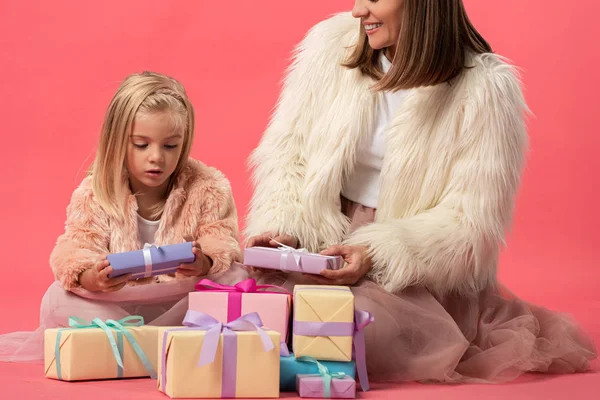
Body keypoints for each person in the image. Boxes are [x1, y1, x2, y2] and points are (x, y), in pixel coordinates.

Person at [244, 1, 597, 383]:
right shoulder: (329, 49)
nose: (359, 10)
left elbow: (469, 222)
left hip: (410, 274)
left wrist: (376, 251)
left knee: (339, 330)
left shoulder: (484, 88)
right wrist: (287, 230)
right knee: (248, 308)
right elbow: (288, 155)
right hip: (325, 242)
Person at [0, 71, 245, 362]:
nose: (156, 157)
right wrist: (92, 278)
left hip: (181, 299)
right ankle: (160, 343)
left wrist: (203, 262)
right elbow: (75, 248)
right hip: (119, 304)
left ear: (184, 142)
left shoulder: (208, 185)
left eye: (170, 146)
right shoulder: (95, 190)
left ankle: (135, 345)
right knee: (58, 298)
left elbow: (222, 238)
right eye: (141, 144)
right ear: (118, 141)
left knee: (235, 275)